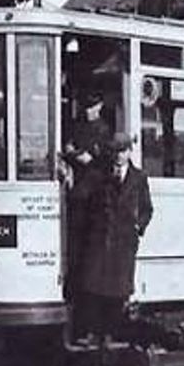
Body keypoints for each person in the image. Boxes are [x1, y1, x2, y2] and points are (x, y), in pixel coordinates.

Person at [76, 132, 153, 347]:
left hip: (123, 242)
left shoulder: (139, 178)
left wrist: (139, 227)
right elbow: (82, 196)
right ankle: (94, 332)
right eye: (116, 151)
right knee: (95, 288)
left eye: (123, 151)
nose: (119, 156)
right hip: (100, 240)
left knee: (117, 292)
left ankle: (111, 333)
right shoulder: (99, 175)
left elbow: (147, 208)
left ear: (129, 152)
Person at [62, 92, 112, 333]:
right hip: (79, 194)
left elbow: (91, 159)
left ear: (100, 105)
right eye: (86, 106)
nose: (88, 110)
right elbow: (73, 151)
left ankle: (88, 321)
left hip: (91, 195)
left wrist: (75, 154)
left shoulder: (103, 130)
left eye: (92, 106)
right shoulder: (80, 127)